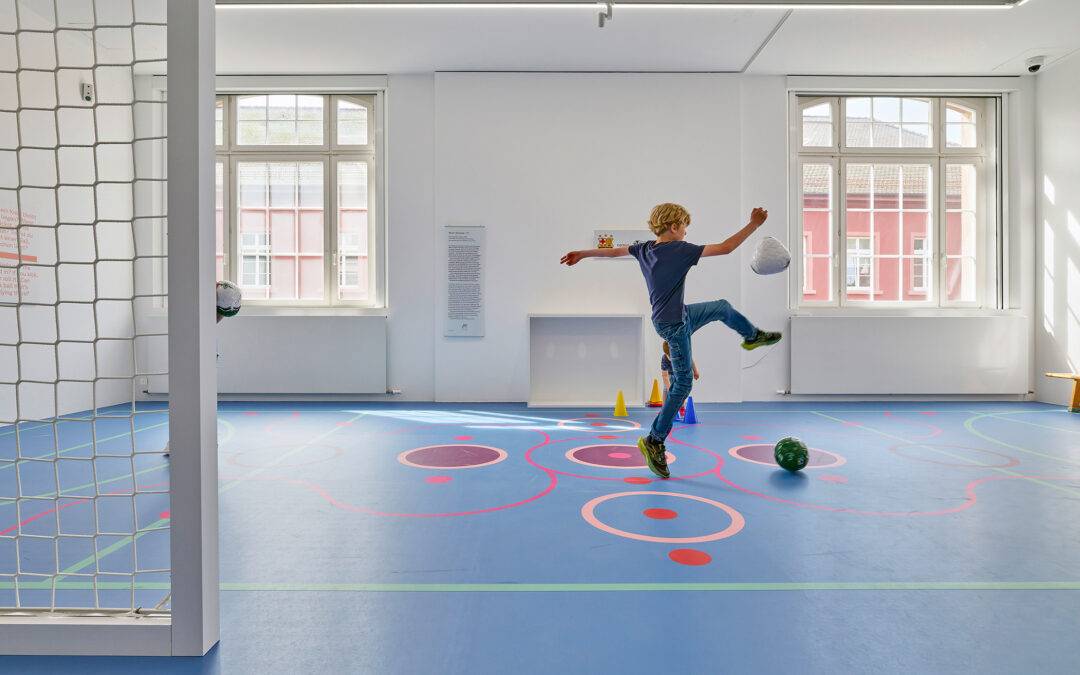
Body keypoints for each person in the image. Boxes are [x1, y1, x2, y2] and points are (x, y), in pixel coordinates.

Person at [560, 203, 781, 478]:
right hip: (675, 325)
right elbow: (726, 247)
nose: (687, 232)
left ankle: (752, 336)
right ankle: (654, 439)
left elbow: (615, 251)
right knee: (683, 383)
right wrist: (754, 224)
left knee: (722, 307)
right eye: (685, 226)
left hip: (679, 316)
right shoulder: (680, 250)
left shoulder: (643, 249)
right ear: (674, 227)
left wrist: (582, 253)